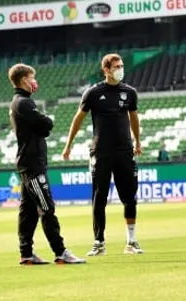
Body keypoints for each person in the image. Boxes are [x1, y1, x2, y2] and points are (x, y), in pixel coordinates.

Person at [62, 53, 144, 256]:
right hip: (101, 151)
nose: (120, 69)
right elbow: (78, 119)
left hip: (124, 150)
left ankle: (131, 241)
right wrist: (68, 145)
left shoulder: (129, 92)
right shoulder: (93, 93)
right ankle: (99, 242)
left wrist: (137, 141)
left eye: (121, 66)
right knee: (99, 198)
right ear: (106, 70)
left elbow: (134, 117)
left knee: (129, 197)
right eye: (116, 66)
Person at [8, 63, 85, 265]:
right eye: (32, 78)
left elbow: (43, 128)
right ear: (24, 80)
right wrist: (44, 123)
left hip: (28, 163)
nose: (35, 81)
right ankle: (60, 252)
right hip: (33, 165)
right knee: (46, 207)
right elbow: (47, 124)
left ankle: (26, 253)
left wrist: (42, 126)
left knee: (28, 211)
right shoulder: (24, 103)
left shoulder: (18, 102)